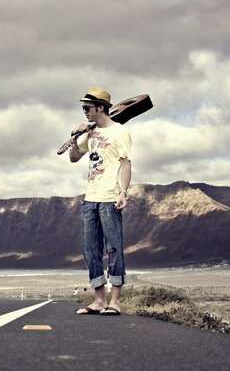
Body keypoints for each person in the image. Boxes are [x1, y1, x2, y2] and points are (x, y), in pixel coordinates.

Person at [69, 87, 132, 316]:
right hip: (90, 198)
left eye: (87, 107)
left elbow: (126, 164)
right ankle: (99, 300)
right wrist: (76, 136)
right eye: (83, 108)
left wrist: (123, 192)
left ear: (101, 107)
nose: (84, 111)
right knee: (90, 250)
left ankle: (115, 302)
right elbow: (74, 157)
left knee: (114, 247)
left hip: (109, 198)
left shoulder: (120, 132)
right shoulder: (90, 133)